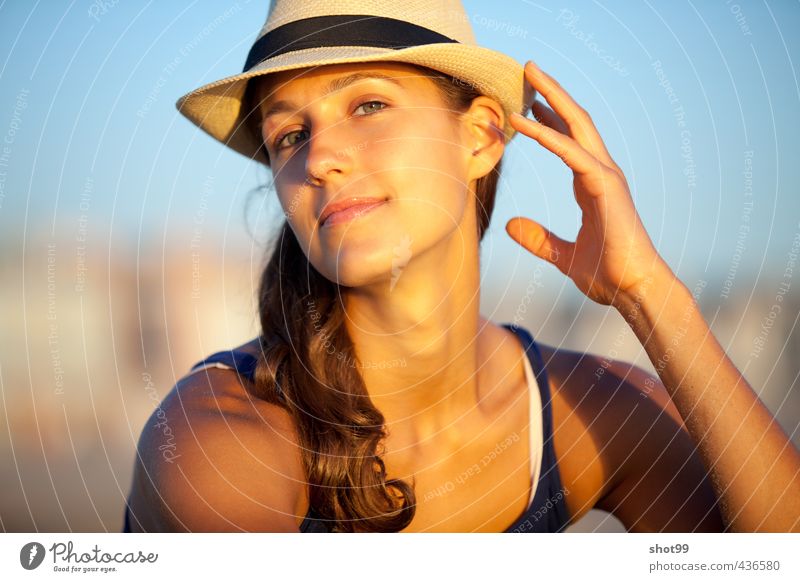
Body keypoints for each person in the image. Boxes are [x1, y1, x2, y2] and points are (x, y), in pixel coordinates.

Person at [123, 0, 800, 533]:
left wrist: (650, 294)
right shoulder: (218, 439)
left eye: (367, 104)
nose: (319, 157)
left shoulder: (577, 412)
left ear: (478, 136)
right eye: (289, 136)